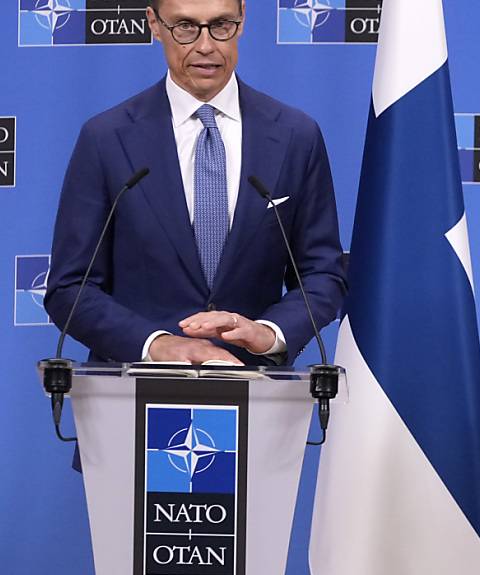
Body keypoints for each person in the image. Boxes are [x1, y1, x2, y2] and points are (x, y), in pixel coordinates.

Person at [45, 0, 346, 367]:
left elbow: (323, 274)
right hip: (134, 389)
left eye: (221, 25)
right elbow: (69, 288)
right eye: (185, 27)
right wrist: (155, 345)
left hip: (255, 389)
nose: (206, 46)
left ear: (243, 20)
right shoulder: (107, 138)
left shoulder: (295, 135)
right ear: (155, 24)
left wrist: (268, 333)